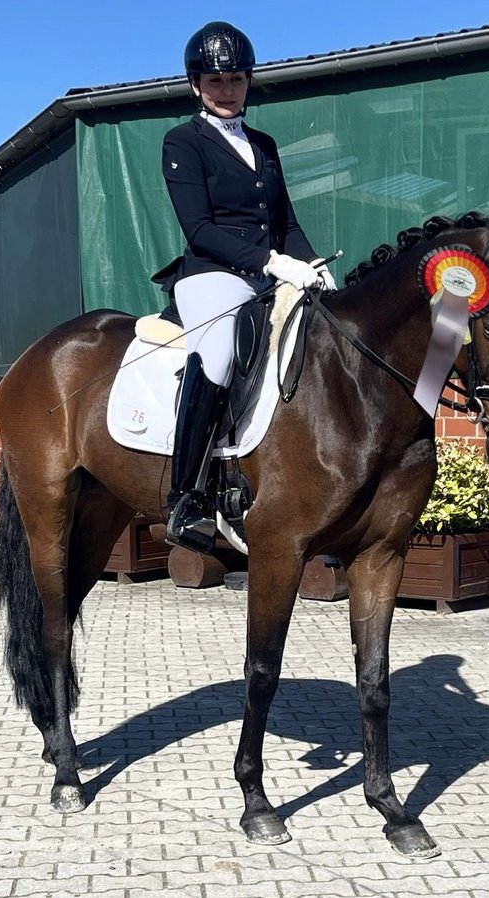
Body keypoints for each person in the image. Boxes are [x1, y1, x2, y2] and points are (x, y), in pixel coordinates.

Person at [154, 20, 335, 552]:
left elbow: (287, 223)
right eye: (216, 81)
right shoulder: (182, 141)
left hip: (269, 271)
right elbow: (200, 230)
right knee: (218, 351)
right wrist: (272, 262)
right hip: (212, 275)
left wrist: (313, 264)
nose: (227, 90)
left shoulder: (265, 144)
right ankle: (187, 497)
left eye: (236, 79)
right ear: (196, 85)